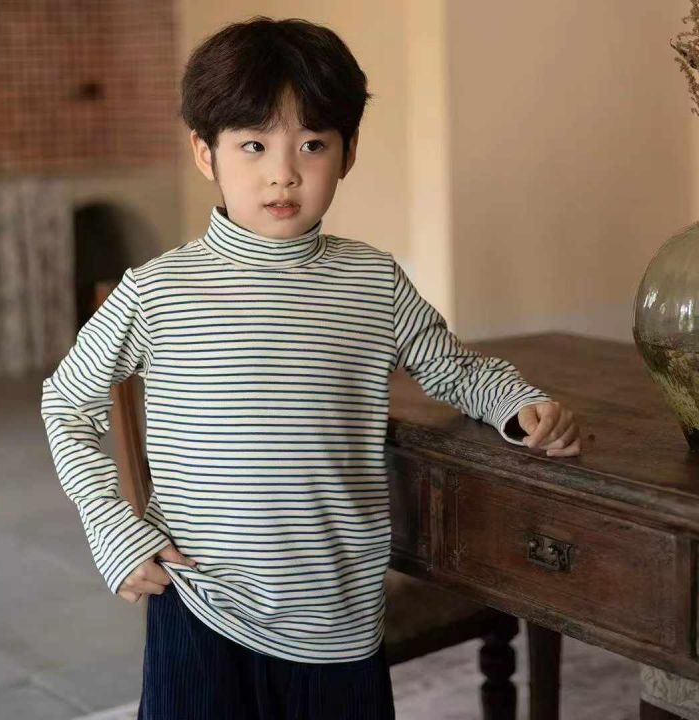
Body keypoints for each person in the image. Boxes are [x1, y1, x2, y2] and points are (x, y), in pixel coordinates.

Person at [40, 15, 581, 720]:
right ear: (205, 153)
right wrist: (112, 526)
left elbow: (455, 369)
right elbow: (65, 403)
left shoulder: (373, 283)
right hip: (200, 602)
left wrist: (517, 403)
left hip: (337, 617)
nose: (284, 172)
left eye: (313, 144)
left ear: (347, 154)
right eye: (254, 144)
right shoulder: (158, 290)